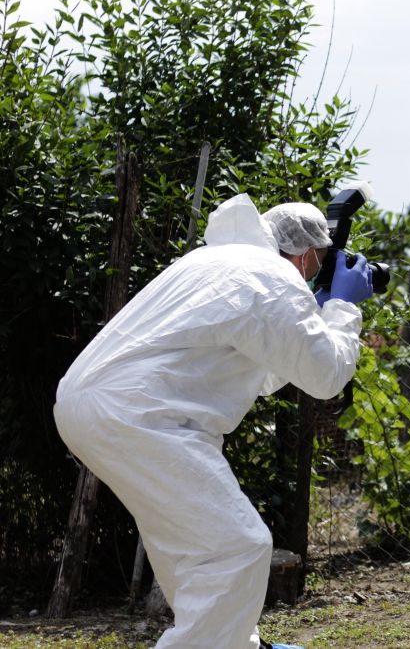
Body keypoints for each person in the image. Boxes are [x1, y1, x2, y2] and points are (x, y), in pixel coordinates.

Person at [53, 193, 373, 649]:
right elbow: (325, 376)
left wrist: (314, 317)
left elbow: (263, 373)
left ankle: (239, 643)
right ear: (305, 255)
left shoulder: (216, 261)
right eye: (322, 263)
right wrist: (344, 307)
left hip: (89, 404)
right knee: (239, 546)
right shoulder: (273, 277)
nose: (319, 274)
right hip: (141, 414)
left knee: (193, 547)